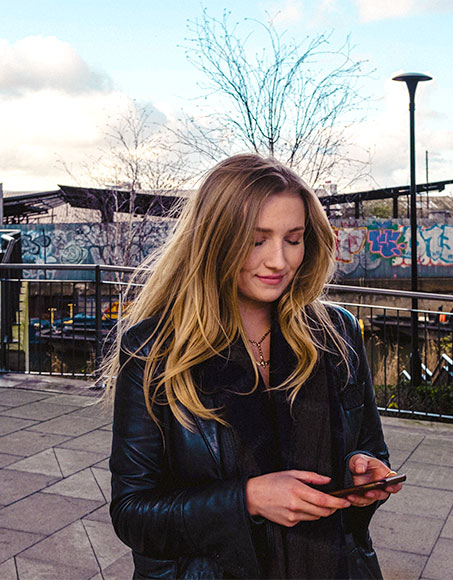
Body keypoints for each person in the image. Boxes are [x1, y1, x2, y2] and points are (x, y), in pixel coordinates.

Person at [104, 153, 402, 579]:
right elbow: (133, 514)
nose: (279, 261)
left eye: (293, 239)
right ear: (215, 240)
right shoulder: (154, 350)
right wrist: (247, 499)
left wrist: (362, 473)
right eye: (257, 240)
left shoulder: (338, 333)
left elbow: (371, 450)